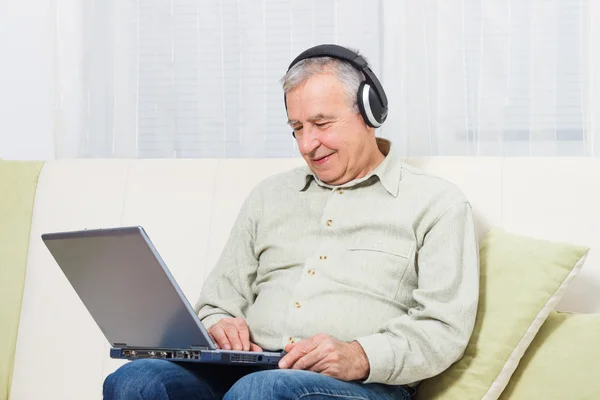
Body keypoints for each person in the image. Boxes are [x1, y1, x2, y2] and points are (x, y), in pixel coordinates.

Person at [103, 44, 479, 400]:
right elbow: (216, 302)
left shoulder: (436, 203)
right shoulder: (269, 197)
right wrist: (220, 323)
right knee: (137, 379)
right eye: (297, 128)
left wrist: (359, 355)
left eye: (321, 123)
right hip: (248, 372)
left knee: (260, 391)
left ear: (370, 113)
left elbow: (444, 328)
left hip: (359, 384)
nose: (306, 144)